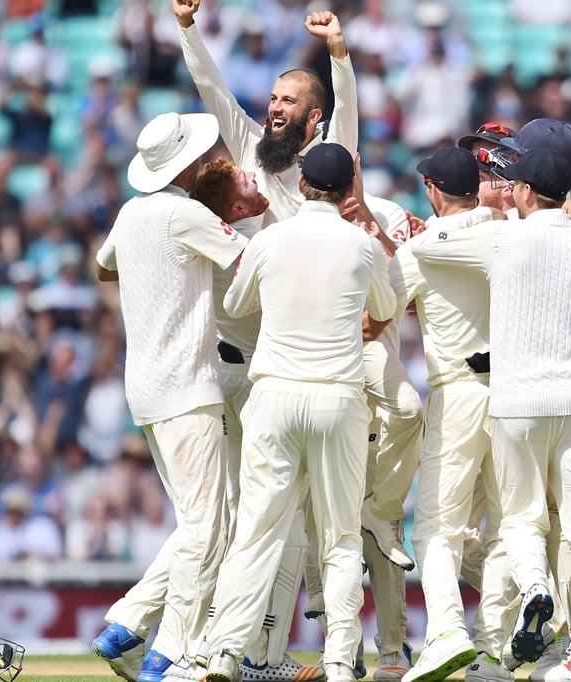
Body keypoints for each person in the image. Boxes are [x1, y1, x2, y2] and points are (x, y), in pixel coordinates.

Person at [412, 149, 571, 682]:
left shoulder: (503, 238)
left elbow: (429, 245)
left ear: (523, 190)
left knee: (521, 522)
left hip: (516, 405)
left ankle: (537, 591)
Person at [201, 143, 396, 682]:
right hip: (338, 399)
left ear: (304, 183)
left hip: (275, 396)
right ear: (344, 190)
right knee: (339, 537)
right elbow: (382, 309)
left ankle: (223, 654)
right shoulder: (362, 247)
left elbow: (237, 306)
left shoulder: (269, 239)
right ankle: (337, 659)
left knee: (257, 532)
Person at [89, 111, 246, 682]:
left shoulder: (132, 214)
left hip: (148, 388)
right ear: (188, 163)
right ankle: (170, 651)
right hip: (188, 385)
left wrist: (152, 269)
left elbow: (103, 267)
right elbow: (249, 264)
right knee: (209, 527)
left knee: (199, 521)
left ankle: (128, 624)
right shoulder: (185, 214)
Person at [392, 147, 517, 682]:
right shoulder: (506, 233)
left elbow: (379, 308)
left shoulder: (422, 249)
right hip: (512, 395)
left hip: (459, 394)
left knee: (436, 531)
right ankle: (492, 653)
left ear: (435, 191)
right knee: (507, 531)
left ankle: (446, 631)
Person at [174, 0, 357, 225]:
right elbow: (210, 86)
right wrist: (186, 25)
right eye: (273, 99)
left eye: (288, 101)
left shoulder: (332, 154)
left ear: (314, 116)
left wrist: (336, 45)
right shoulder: (251, 143)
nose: (275, 108)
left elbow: (346, 104)